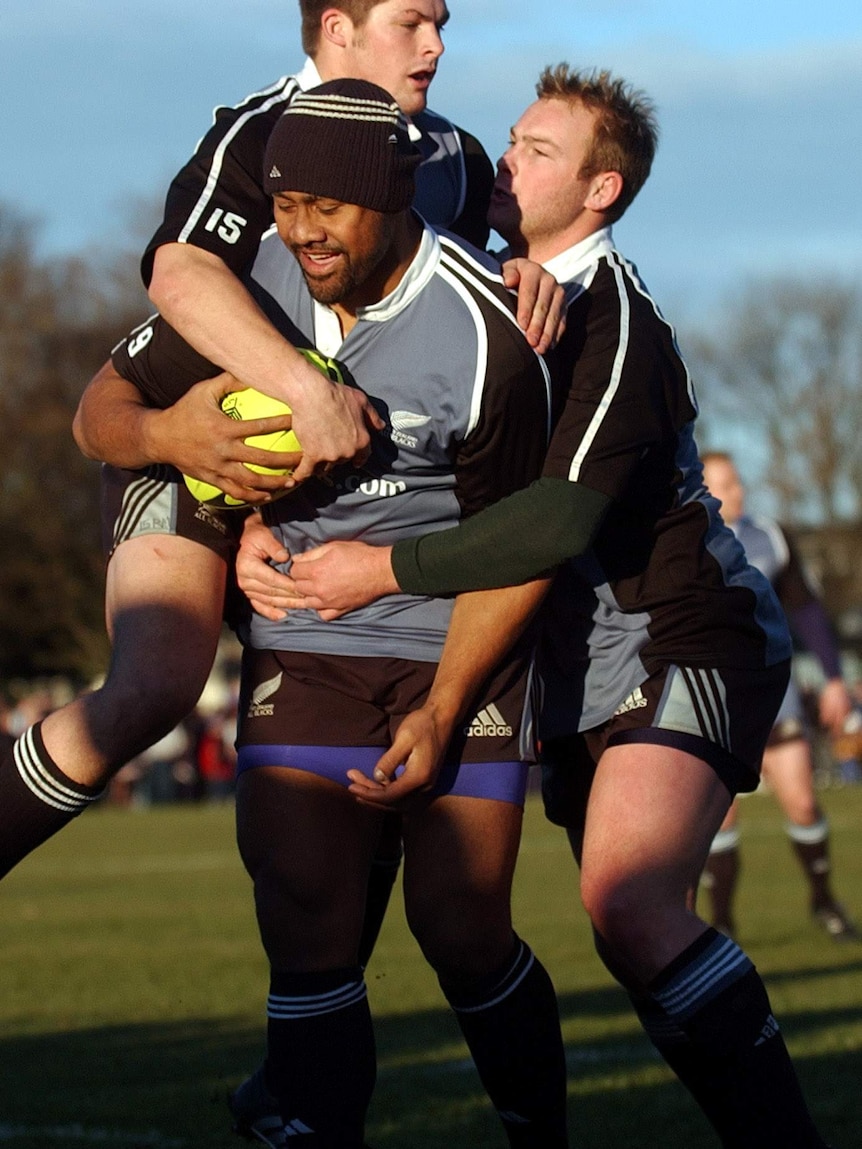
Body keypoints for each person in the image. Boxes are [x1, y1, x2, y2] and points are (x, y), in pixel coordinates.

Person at [240, 65, 833, 1146]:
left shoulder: (618, 323)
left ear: (600, 192)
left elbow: (555, 526)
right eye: (510, 140)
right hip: (553, 671)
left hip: (679, 635)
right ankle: (294, 1068)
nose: (504, 162)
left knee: (627, 899)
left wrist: (377, 572)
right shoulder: (487, 293)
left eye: (537, 152)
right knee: (601, 932)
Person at [74, 80, 569, 1149]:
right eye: (286, 201)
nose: (301, 229)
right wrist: (178, 446)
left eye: (328, 209)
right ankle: (311, 1124)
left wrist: (442, 709)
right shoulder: (241, 292)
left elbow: (524, 550)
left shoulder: (484, 336)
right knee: (304, 907)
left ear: (393, 203)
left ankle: (539, 1125)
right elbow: (98, 414)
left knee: (463, 925)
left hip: (456, 642)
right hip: (305, 637)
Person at [0, 0, 562, 892]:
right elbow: (179, 272)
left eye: (443, 23)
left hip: (314, 491)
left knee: (343, 864)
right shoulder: (258, 130)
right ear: (337, 29)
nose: (437, 45)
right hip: (197, 440)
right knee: (156, 684)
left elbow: (458, 291)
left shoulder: (450, 155)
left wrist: (524, 267)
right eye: (413, 21)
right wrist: (272, 405)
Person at [699, 450, 858, 941]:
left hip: (774, 690)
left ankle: (825, 902)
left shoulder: (771, 537)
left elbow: (806, 611)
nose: (737, 491)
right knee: (719, 818)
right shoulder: (688, 538)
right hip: (714, 696)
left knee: (803, 802)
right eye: (723, 483)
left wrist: (834, 679)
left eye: (738, 481)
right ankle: (721, 925)